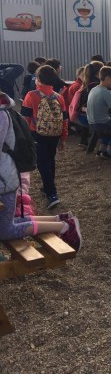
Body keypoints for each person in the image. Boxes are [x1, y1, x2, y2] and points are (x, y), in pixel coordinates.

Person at [0, 90, 82, 250]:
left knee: (5, 230)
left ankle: (64, 227)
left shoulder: (1, 114)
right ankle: (60, 220)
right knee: (8, 222)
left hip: (5, 181)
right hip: (6, 177)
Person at [20, 65, 69, 209]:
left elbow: (25, 118)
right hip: (54, 134)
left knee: (43, 163)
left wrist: (24, 137)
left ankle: (51, 193)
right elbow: (65, 120)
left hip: (37, 134)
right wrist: (63, 138)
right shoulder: (59, 97)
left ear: (38, 79)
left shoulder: (31, 95)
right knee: (50, 160)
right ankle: (47, 186)